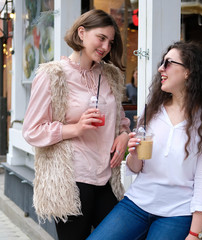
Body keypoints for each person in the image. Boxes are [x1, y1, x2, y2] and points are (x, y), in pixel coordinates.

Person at [88, 41, 202, 240]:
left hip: (176, 213)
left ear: (188, 72)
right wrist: (133, 154)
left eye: (168, 63)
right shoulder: (153, 111)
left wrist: (194, 232)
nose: (160, 68)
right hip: (136, 203)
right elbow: (137, 167)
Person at [22, 9, 131, 240]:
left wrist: (124, 135)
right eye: (101, 38)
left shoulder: (110, 75)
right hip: (73, 179)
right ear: (82, 33)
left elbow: (120, 119)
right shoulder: (53, 75)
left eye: (110, 42)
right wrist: (76, 128)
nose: (105, 47)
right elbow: (32, 131)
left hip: (106, 176)